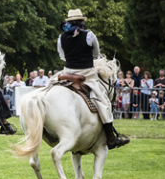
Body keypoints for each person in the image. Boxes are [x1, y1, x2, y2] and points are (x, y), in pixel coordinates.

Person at [53, 9, 128, 148]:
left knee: (49, 87)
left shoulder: (61, 37)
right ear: (81, 22)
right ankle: (111, 139)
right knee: (104, 102)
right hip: (86, 74)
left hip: (67, 72)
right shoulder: (89, 35)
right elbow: (96, 54)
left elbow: (62, 56)